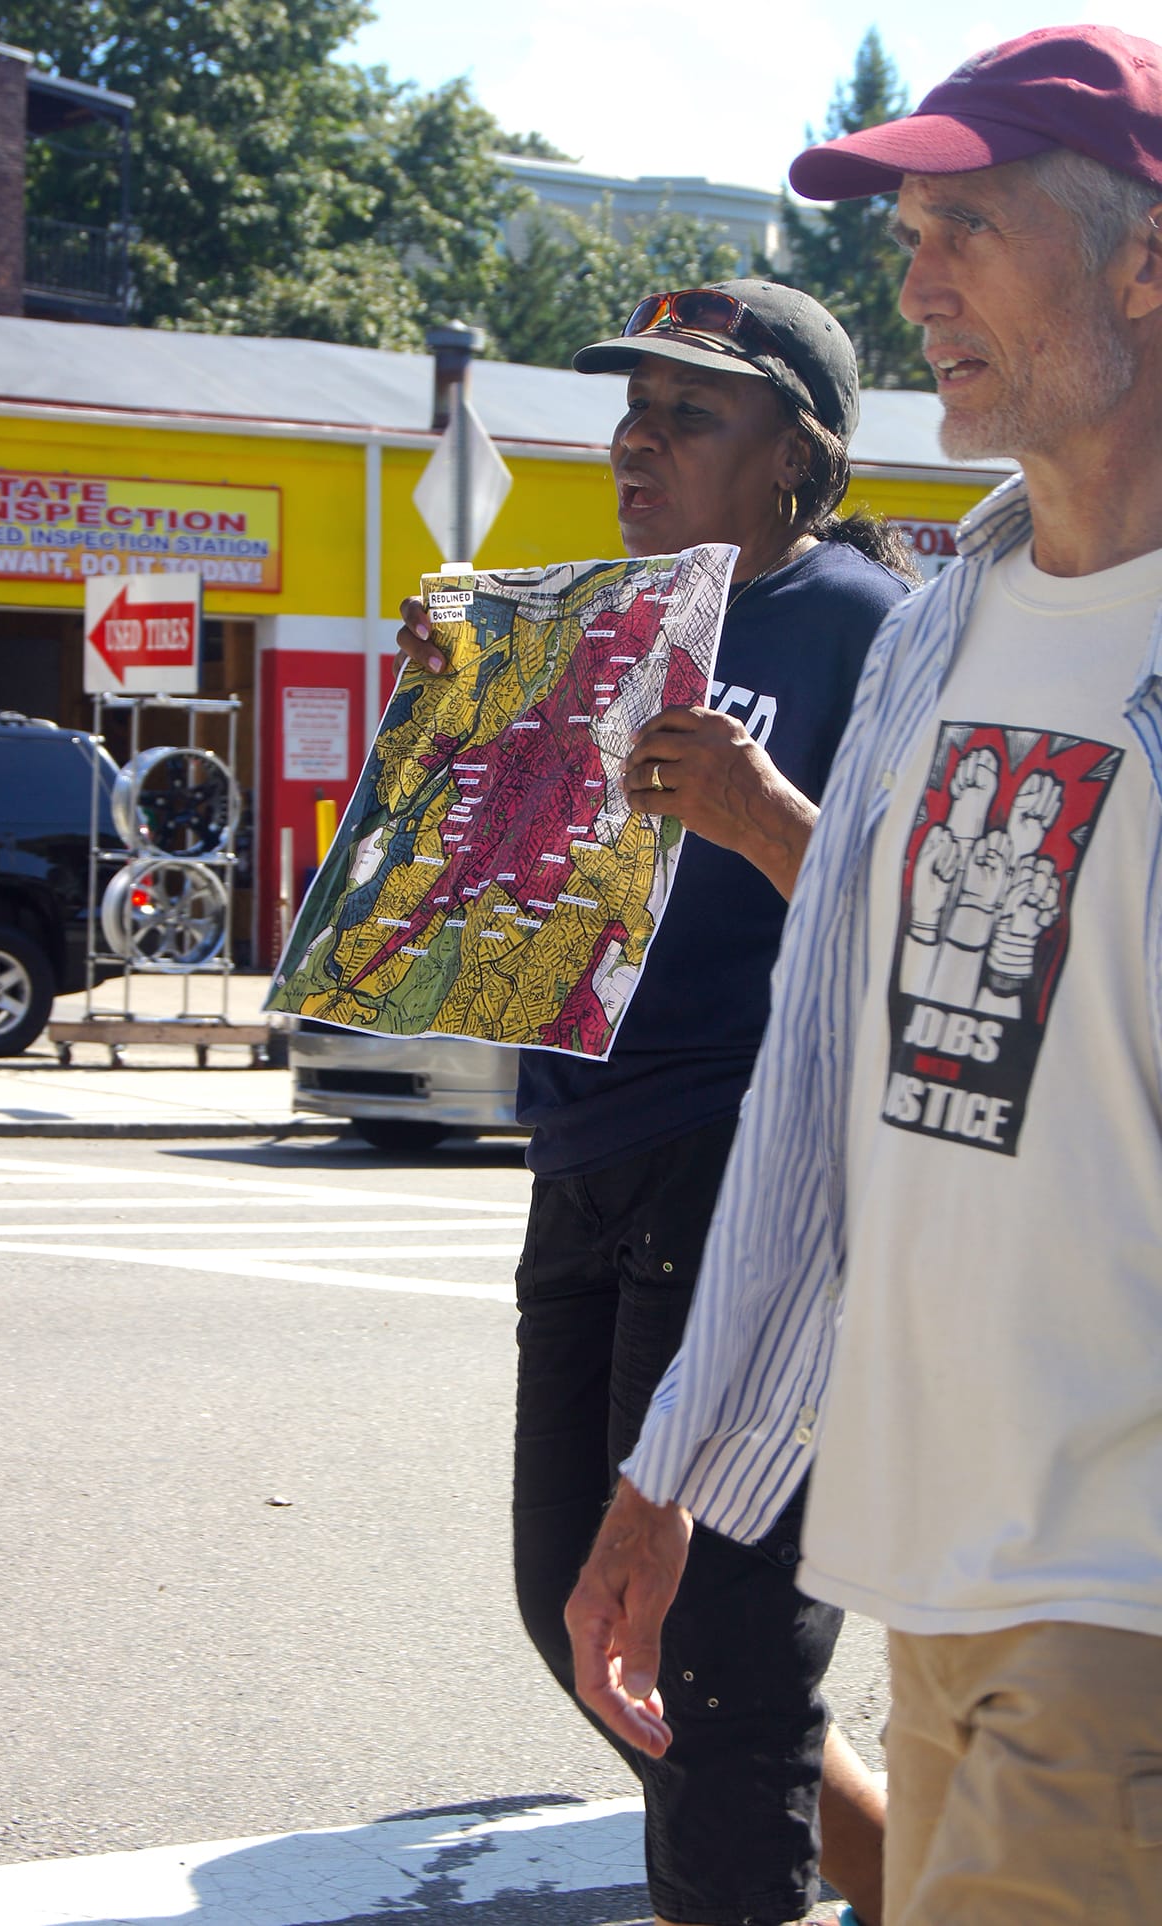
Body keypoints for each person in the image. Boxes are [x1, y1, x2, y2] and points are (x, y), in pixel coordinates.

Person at [564, 25, 1162, 1926]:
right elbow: (839, 1078)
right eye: (908, 236)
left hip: (1126, 1593)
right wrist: (677, 1477)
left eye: (968, 228)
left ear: (1146, 258)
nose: (915, 286)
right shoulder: (950, 624)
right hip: (943, 1571)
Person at [398, 280, 917, 1926]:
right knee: (583, 1612)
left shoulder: (872, 627)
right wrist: (450, 734)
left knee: (717, 1663)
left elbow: (942, 922)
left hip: (757, 1168)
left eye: (695, 411)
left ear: (797, 456)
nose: (641, 432)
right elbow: (493, 887)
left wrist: (771, 815)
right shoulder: (600, 615)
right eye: (637, 401)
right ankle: (942, 1886)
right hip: (590, 1152)